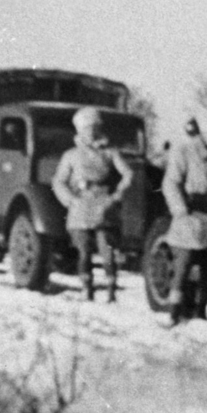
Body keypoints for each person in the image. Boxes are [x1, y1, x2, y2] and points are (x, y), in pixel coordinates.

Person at [52, 106, 134, 302]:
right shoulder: (71, 155)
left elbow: (128, 173)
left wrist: (117, 195)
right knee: (84, 251)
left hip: (104, 206)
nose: (90, 132)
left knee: (107, 250)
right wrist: (69, 199)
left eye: (94, 128)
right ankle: (86, 288)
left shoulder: (110, 152)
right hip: (80, 206)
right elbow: (58, 181)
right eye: (86, 128)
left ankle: (111, 290)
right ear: (79, 131)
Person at [162, 111, 207, 325]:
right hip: (189, 217)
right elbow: (171, 182)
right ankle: (174, 311)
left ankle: (201, 310)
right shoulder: (185, 151)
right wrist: (179, 207)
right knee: (182, 266)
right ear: (203, 132)